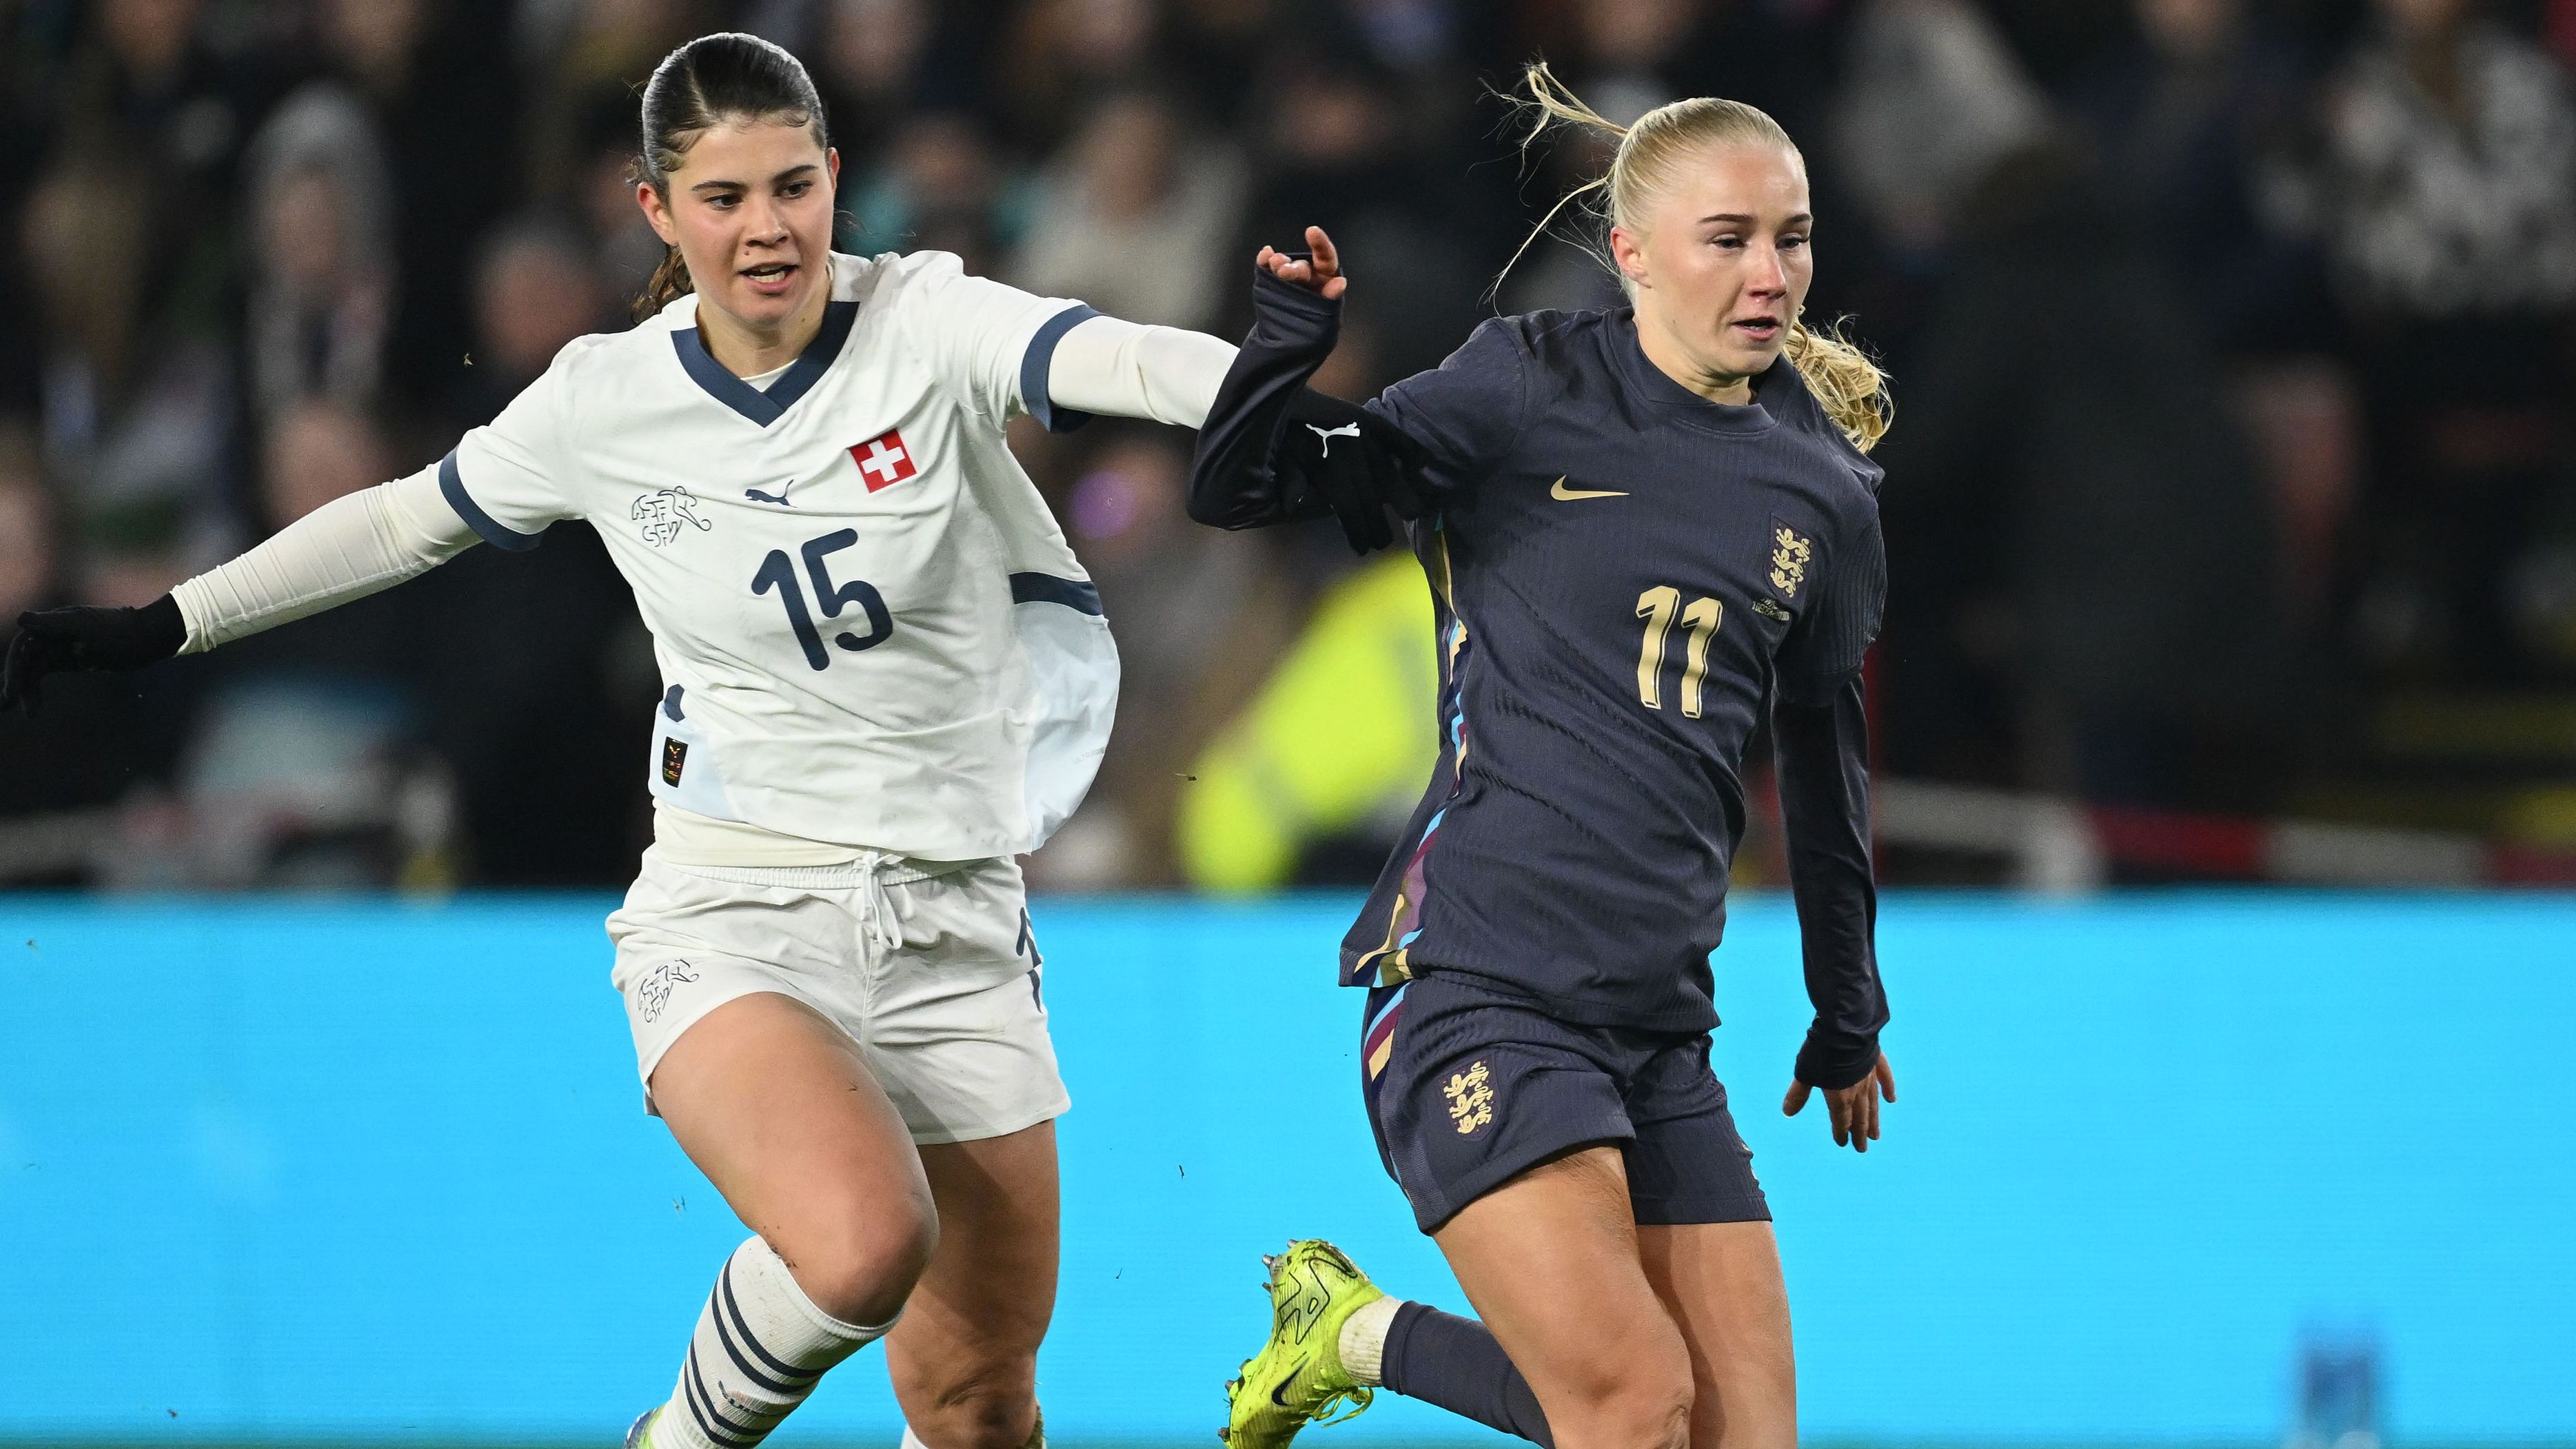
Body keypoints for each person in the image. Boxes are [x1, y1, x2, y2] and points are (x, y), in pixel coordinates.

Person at [0, 32, 1265, 1449]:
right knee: (859, 1243)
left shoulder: (923, 318)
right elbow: (405, 516)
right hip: (738, 907)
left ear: (839, 181)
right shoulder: (609, 398)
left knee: (979, 1403)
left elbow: (1104, 353)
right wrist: (165, 620)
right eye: (723, 199)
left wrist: (1268, 379)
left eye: (794, 186)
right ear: (657, 210)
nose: (768, 228)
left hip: (955, 913)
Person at [1188, 65, 1896, 1449]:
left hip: (1660, 1027)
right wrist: (1282, 351)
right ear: (1631, 253)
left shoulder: (1823, 492)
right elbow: (1241, 485)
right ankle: (1358, 1332)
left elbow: (1822, 764)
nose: (1771, 271)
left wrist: (1847, 1005)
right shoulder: (1524, 388)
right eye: (1729, 238)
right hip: (1480, 991)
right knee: (1634, 1403)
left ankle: (1351, 1329)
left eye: (1793, 237)